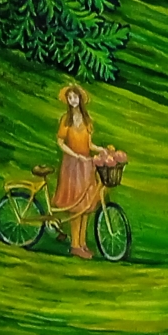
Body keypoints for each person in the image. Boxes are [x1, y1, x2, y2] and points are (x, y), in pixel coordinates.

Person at [54, 84, 103, 259]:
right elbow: (60, 142)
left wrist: (100, 150)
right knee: (76, 207)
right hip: (72, 166)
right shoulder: (65, 120)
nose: (73, 100)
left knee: (86, 206)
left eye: (75, 97)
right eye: (70, 98)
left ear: (80, 99)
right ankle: (75, 244)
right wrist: (75, 155)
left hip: (86, 165)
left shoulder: (87, 120)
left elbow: (89, 145)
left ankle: (82, 243)